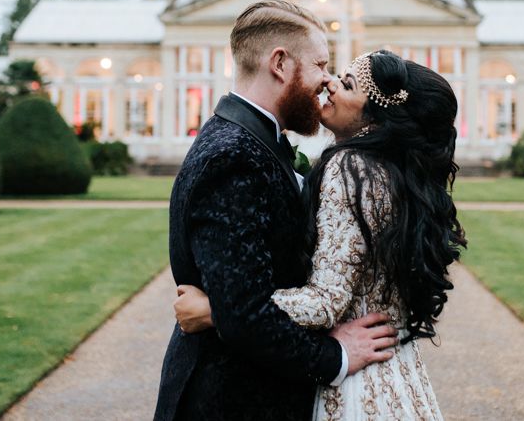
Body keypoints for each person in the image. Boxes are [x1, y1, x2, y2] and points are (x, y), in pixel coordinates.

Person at [175, 49, 467, 420]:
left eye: (347, 84)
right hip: (399, 372)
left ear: (375, 119)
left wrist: (220, 310)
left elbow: (326, 300)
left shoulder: (350, 168)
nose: (329, 83)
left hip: (358, 384)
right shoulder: (395, 174)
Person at [154, 1, 398, 421]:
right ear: (280, 63)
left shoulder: (251, 142)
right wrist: (336, 355)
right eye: (321, 64)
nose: (327, 80)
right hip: (231, 402)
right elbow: (244, 313)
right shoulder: (233, 157)